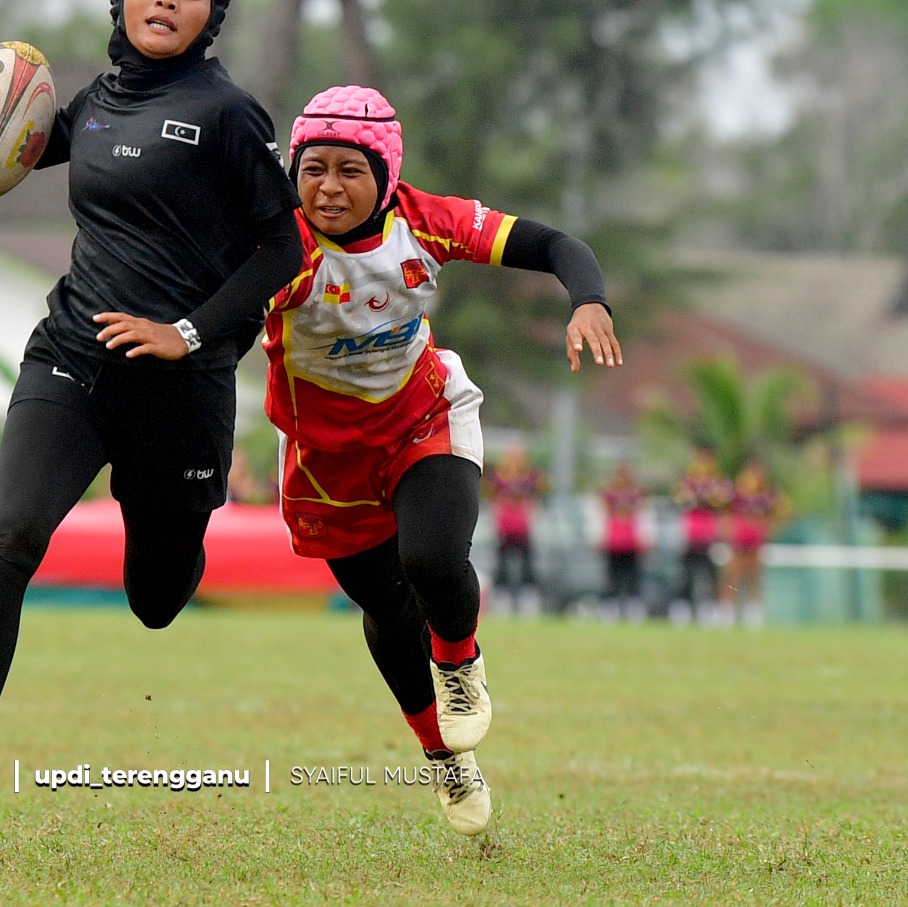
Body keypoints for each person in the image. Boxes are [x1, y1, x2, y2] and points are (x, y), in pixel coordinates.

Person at [0, 0, 303, 839]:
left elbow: (284, 245)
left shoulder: (229, 113)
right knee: (14, 531)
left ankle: (182, 532)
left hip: (182, 383)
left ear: (212, 17)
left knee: (157, 597)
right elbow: (6, 145)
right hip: (71, 357)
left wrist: (188, 332)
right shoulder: (96, 100)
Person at [261, 85, 622, 836]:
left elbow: (558, 245)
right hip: (327, 463)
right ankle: (444, 758)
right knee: (387, 609)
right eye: (313, 168)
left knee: (431, 557)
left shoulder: (427, 222)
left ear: (386, 175)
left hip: (426, 415)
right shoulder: (276, 248)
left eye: (350, 170)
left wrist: (590, 299)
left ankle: (459, 665)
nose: (329, 186)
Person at [669, 448, 734, 626]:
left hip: (710, 535)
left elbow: (723, 501)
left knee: (711, 575)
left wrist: (706, 497)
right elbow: (680, 499)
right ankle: (682, 610)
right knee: (685, 574)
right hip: (690, 534)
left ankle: (712, 611)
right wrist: (699, 496)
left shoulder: (718, 481)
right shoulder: (688, 480)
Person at [720, 460, 788, 628]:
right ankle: (726, 612)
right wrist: (728, 533)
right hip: (738, 544)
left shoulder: (767, 494)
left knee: (754, 579)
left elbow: (784, 512)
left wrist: (768, 529)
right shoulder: (737, 493)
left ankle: (754, 615)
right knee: (732, 578)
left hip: (756, 544)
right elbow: (725, 513)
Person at [484, 445, 549, 616]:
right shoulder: (499, 478)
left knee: (527, 565)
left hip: (523, 528)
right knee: (502, 566)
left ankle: (528, 600)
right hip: (505, 527)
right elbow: (492, 498)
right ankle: (501, 599)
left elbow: (541, 493)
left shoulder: (529, 478)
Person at [599, 462, 647, 621]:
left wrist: (645, 537)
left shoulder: (637, 493)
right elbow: (602, 514)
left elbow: (643, 516)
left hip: (631, 540)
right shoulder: (609, 493)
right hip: (614, 540)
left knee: (632, 575)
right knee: (613, 575)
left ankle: (633, 608)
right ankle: (611, 607)